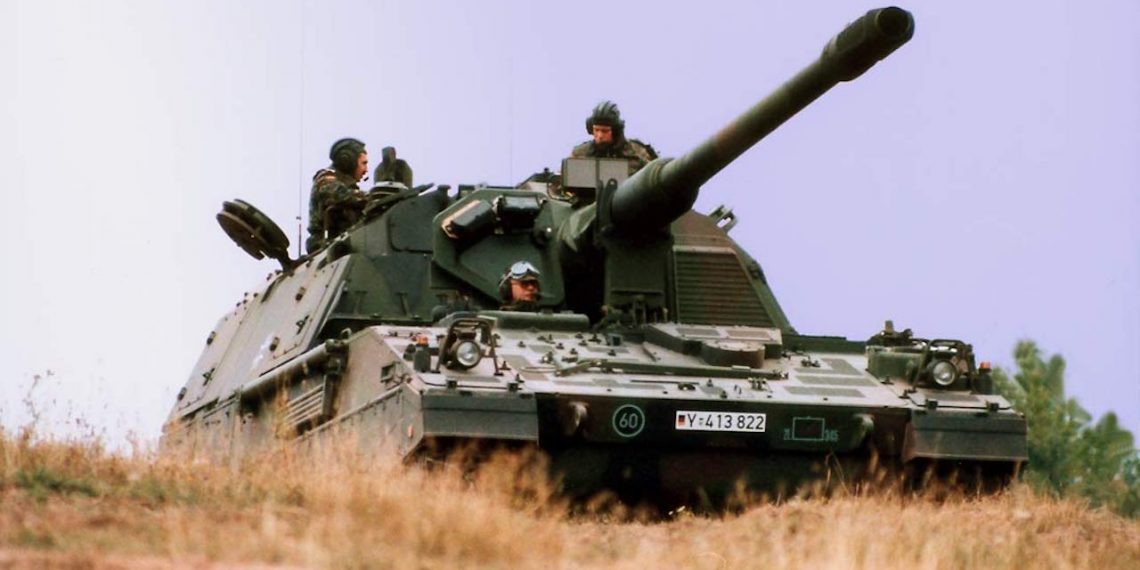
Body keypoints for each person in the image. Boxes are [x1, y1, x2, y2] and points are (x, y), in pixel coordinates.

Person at [306, 138, 369, 253]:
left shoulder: (350, 187)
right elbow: (339, 195)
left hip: (348, 241)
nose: (366, 170)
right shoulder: (325, 179)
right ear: (348, 162)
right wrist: (375, 196)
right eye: (363, 163)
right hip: (325, 246)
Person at [570, 100, 658, 175]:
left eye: (604, 131)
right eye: (596, 130)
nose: (600, 136)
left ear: (616, 131)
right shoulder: (580, 155)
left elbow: (653, 180)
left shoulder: (637, 154)